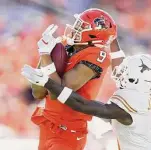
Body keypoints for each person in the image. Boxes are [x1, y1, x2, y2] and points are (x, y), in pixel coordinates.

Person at [22, 52, 151, 150]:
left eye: (126, 72)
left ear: (137, 80)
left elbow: (82, 105)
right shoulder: (144, 99)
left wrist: (47, 82)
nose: (121, 73)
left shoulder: (132, 103)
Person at [30, 8, 117, 150]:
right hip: (48, 123)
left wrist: (46, 56)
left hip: (68, 129)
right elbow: (37, 92)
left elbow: (59, 91)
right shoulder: (66, 45)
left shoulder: (97, 55)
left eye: (82, 26)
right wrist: (43, 54)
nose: (75, 27)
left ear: (94, 33)